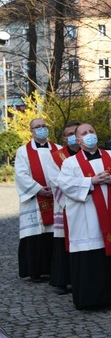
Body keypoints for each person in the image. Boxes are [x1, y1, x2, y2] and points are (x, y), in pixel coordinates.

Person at [57, 123, 111, 310]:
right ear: (77, 140)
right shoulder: (70, 163)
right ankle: (92, 299)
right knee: (92, 255)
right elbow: (65, 184)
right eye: (84, 133)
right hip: (87, 220)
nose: (89, 135)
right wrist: (90, 181)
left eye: (92, 131)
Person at [14, 118, 59, 282]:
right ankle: (35, 271)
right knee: (35, 233)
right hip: (34, 199)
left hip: (55, 197)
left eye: (44, 126)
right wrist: (38, 189)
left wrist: (55, 189)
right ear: (31, 131)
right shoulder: (23, 151)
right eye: (37, 127)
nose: (41, 129)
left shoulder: (58, 149)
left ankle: (53, 269)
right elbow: (21, 175)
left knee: (55, 233)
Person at [48, 121, 80, 295]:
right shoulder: (56, 156)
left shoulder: (89, 153)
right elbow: (55, 181)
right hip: (65, 205)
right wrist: (73, 199)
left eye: (76, 132)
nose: (73, 136)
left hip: (86, 204)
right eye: (69, 134)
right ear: (63, 138)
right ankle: (63, 280)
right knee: (62, 243)